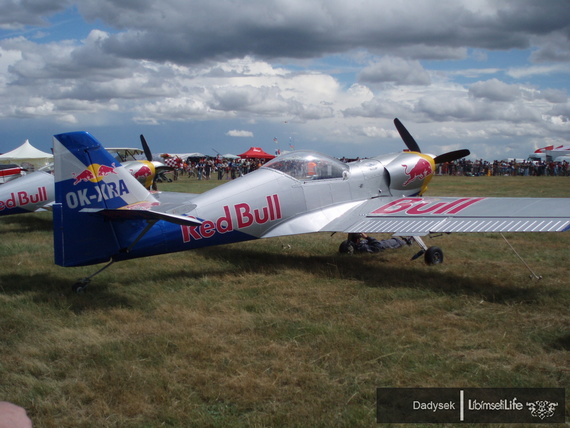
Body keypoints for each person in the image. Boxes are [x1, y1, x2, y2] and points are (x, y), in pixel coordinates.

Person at [339, 233, 411, 254]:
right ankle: (409, 240)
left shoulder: (350, 244)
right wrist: (367, 237)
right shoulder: (362, 248)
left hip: (382, 242)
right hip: (386, 244)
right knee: (402, 242)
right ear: (357, 240)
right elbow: (378, 247)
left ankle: (409, 239)